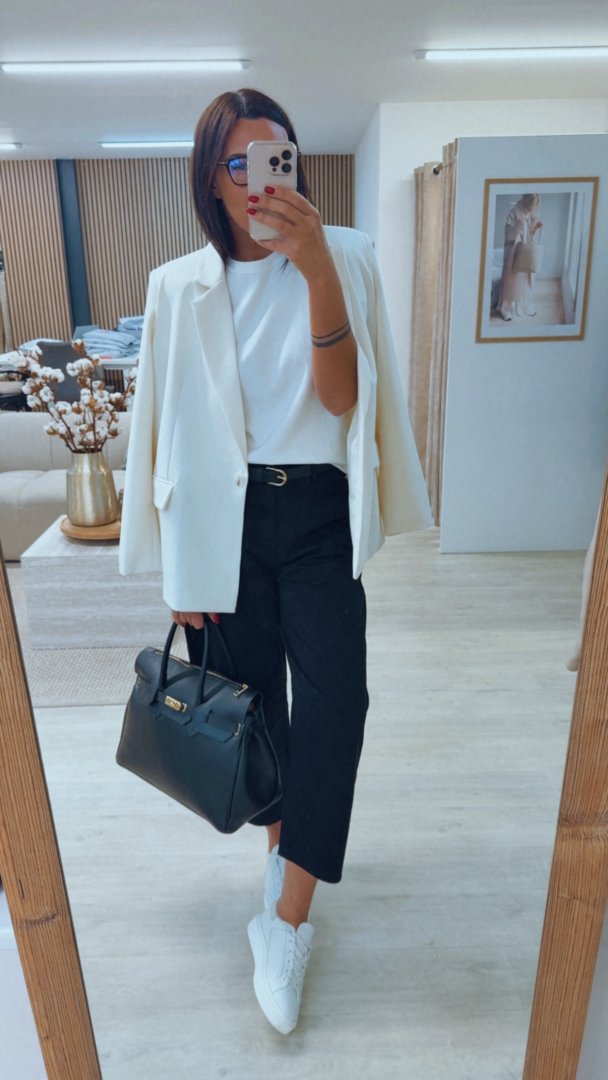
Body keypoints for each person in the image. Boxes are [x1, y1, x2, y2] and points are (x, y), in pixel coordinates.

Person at [118, 88, 432, 1035]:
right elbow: (162, 430)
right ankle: (284, 857)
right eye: (241, 163)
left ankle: (287, 920)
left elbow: (341, 400)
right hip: (224, 522)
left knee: (338, 704)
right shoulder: (177, 285)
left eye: (278, 156)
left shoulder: (348, 255)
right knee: (257, 713)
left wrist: (316, 268)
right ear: (213, 180)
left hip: (318, 515)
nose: (262, 180)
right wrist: (179, 567)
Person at [497, 193, 543, 321]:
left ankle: (522, 306)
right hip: (513, 250)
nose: (533, 208)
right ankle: (507, 309)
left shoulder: (531, 214)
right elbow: (507, 234)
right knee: (511, 279)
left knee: (525, 278)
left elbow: (528, 235)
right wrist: (517, 226)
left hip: (525, 251)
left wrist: (535, 228)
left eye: (535, 205)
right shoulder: (514, 211)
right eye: (532, 205)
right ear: (526, 201)